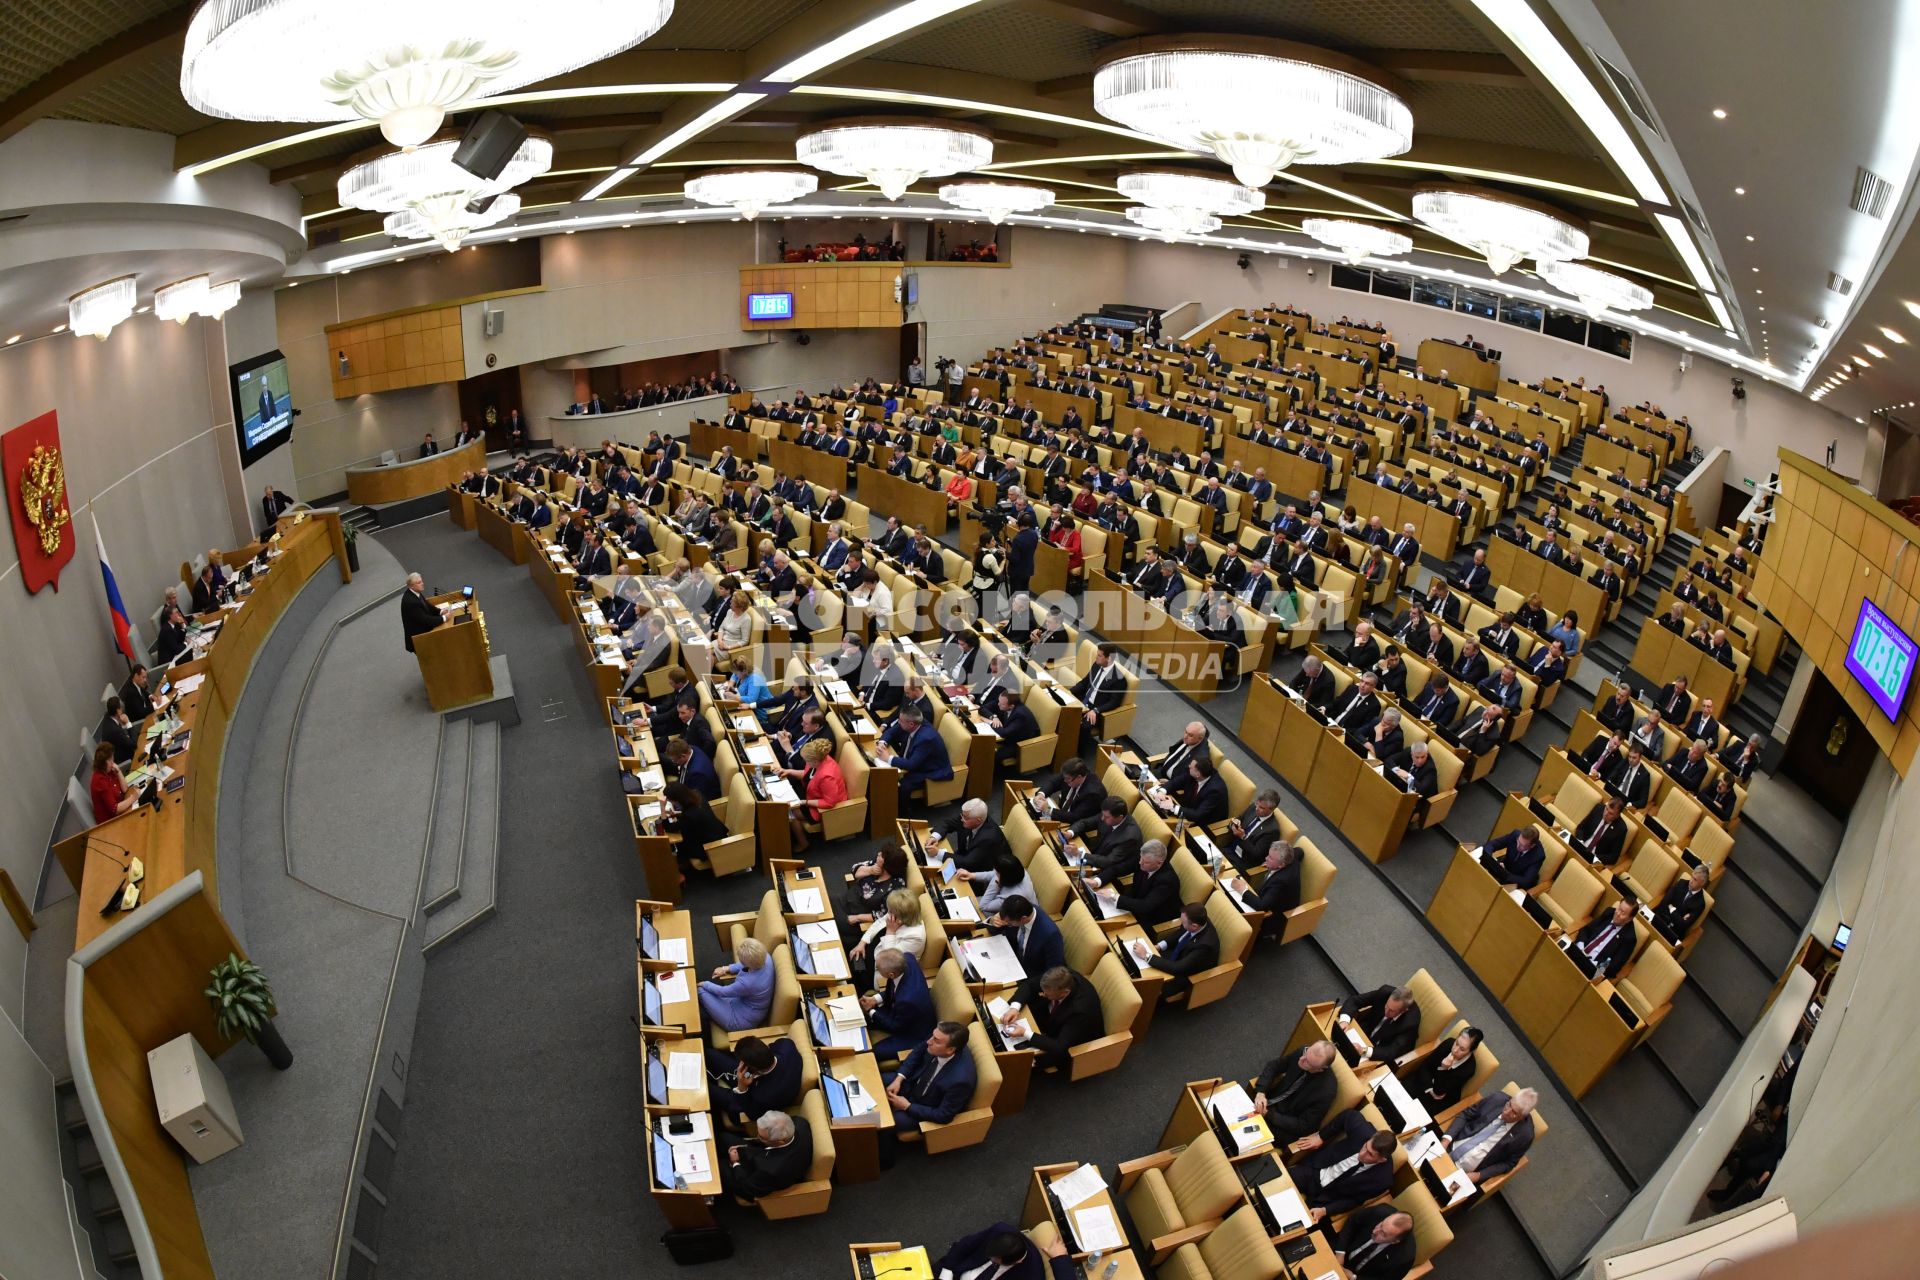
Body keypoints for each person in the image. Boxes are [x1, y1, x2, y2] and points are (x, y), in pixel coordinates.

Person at [882, 1022, 976, 1162]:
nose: (929, 1041)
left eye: (935, 1041)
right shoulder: (938, 1037)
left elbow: (944, 1115)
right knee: (877, 1080)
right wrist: (899, 1079)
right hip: (911, 1082)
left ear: (950, 1050)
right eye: (932, 1036)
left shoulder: (960, 1080)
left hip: (923, 1107)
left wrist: (907, 1106)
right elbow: (917, 1052)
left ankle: (884, 1161)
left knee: (884, 1123)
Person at [1292, 1110, 1398, 1218]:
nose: (1362, 1154)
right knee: (1278, 1181)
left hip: (1327, 1198)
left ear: (1381, 1160)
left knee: (1296, 1222)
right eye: (1366, 1146)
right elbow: (1349, 1114)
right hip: (1316, 1171)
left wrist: (1325, 1211)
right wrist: (1321, 1137)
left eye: (1370, 1154)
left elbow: (1354, 1200)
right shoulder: (1363, 1132)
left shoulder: (1383, 1181)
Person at [1005, 966, 1101, 1072]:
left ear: (1065, 992)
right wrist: (1014, 1008)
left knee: (1016, 1065)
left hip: (1069, 1041)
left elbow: (1059, 1046)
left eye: (1048, 994)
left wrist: (1025, 1033)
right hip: (1052, 1018)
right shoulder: (1058, 976)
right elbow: (1029, 985)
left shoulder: (1080, 1011)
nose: (1043, 994)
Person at [1442, 1088, 1539, 1183]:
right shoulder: (1496, 1099)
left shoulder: (1525, 1135)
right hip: (1449, 1147)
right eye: (1509, 1105)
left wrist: (1479, 1175)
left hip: (1467, 1174)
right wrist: (1446, 1140)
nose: (1506, 1112)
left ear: (1523, 1117)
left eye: (1514, 1113)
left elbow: (1509, 1163)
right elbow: (1466, 1115)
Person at [705, 1034, 802, 1128]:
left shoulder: (763, 1096)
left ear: (751, 1068)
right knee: (709, 1054)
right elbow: (772, 1047)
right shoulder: (785, 1045)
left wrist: (742, 1088)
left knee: (707, 1089)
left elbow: (752, 1114)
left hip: (748, 1098)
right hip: (756, 1074)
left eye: (742, 1062)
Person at [1252, 1039, 1338, 1140]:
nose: (1301, 1059)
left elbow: (1304, 1126)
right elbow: (1274, 1066)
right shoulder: (1302, 1052)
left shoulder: (1326, 1091)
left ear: (1321, 1069)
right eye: (1306, 1053)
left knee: (1247, 1134)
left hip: (1284, 1124)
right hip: (1270, 1102)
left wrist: (1269, 1115)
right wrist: (1261, 1092)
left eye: (1308, 1063)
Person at [720, 1109, 811, 1202]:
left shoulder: (769, 1171)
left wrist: (735, 1163)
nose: (757, 1136)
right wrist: (746, 1145)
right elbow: (763, 1144)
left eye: (762, 1137)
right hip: (764, 1154)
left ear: (780, 1141)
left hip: (756, 1181)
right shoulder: (798, 1122)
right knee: (724, 1138)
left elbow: (748, 1187)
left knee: (720, 1166)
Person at [1086, 839, 1180, 927]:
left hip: (1150, 918)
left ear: (1159, 863)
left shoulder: (1167, 881)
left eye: (1145, 862)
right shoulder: (1144, 858)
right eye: (1140, 858)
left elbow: (1145, 906)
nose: (1140, 863)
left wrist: (1114, 897)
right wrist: (1097, 881)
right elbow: (1117, 869)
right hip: (1133, 901)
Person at [863, 949, 936, 1060]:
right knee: (862, 1018)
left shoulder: (907, 1000)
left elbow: (895, 1027)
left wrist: (870, 1011)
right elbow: (895, 989)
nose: (876, 970)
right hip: (902, 1010)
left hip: (913, 1032)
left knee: (871, 1053)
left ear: (891, 974)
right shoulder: (907, 957)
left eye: (878, 969)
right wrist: (875, 999)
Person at [931, 1223, 1061, 1280]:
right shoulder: (1000, 1230)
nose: (992, 1260)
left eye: (995, 1261)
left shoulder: (1032, 1275)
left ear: (1018, 1262)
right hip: (953, 1273)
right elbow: (964, 1245)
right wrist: (946, 1273)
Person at [850, 889, 926, 986]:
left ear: (901, 917)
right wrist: (862, 942)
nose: (887, 913)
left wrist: (890, 931)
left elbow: (890, 960)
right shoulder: (896, 913)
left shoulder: (915, 937)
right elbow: (878, 923)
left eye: (889, 911)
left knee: (854, 977)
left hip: (881, 969)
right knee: (850, 956)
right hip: (871, 949)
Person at [1142, 902, 1219, 998]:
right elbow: (1181, 933)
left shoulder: (1205, 946)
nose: (1181, 924)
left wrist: (1146, 955)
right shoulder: (1198, 920)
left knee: (1147, 990)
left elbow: (1178, 967)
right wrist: (1159, 946)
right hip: (1177, 954)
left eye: (1183, 922)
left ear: (1194, 926)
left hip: (1185, 974)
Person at [877, 706, 953, 803]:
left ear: (911, 724)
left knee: (903, 785)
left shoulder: (926, 738)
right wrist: (882, 742)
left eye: (900, 721)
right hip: (915, 758)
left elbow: (911, 765)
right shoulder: (912, 722)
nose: (898, 722)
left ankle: (900, 812)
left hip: (930, 769)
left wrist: (888, 758)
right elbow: (891, 731)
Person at [699, 937, 774, 1031]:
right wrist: (726, 969)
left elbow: (723, 992)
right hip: (742, 1002)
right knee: (709, 993)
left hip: (740, 1020)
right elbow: (747, 963)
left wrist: (705, 984)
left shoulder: (747, 983)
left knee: (701, 990)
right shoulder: (766, 957)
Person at [1402, 1026, 1485, 1111]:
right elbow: (1426, 1065)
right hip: (1425, 1081)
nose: (1455, 1050)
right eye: (1456, 1043)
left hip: (1438, 1099)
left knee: (1410, 1112)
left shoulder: (1468, 1070)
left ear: (1470, 1051)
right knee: (1397, 1094)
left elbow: (1439, 1091)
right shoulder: (1448, 1043)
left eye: (1462, 1049)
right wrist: (1429, 1088)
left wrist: (1443, 1069)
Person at [1337, 983, 1422, 1065]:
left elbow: (1391, 1051)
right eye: (1386, 1006)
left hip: (1380, 1050)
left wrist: (1364, 1050)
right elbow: (1355, 1001)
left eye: (1391, 1011)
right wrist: (1345, 1021)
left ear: (1403, 1011)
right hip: (1365, 1031)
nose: (1386, 1012)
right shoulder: (1384, 992)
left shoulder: (1411, 1023)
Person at [788, 738, 846, 854]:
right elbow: (807, 776)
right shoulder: (819, 760)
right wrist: (788, 771)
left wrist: (805, 802)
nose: (804, 762)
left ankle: (803, 843)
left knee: (790, 812)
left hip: (821, 808)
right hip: (812, 793)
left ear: (814, 761)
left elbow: (829, 803)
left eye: (806, 760)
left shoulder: (827, 777)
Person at [842, 844, 910, 941]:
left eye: (881, 855)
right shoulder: (877, 863)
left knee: (831, 922)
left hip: (855, 914)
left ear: (887, 865)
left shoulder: (896, 887)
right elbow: (854, 869)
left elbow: (883, 914)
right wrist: (870, 870)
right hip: (847, 898)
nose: (878, 854)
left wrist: (857, 918)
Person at [1334, 1208, 1417, 1280]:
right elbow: (1352, 1221)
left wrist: (1353, 1277)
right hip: (1342, 1251)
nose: (1375, 1231)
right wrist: (1340, 1252)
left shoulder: (1404, 1259)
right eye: (1381, 1224)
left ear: (1394, 1241)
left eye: (1383, 1234)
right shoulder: (1380, 1212)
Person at [933, 798, 1012, 873]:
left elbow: (969, 863)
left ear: (978, 820)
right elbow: (947, 823)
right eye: (962, 815)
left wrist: (938, 853)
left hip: (982, 869)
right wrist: (934, 837)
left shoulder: (988, 838)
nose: (961, 819)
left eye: (965, 818)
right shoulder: (967, 816)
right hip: (965, 855)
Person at [1568, 900, 1638, 979]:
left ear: (1629, 919)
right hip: (1578, 952)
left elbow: (1614, 967)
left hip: (1591, 969)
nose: (1618, 914)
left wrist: (1596, 964)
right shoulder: (1609, 913)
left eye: (1623, 913)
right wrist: (1580, 946)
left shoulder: (1629, 938)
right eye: (1619, 909)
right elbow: (1586, 930)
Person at [1652, 866, 1711, 943]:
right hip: (1660, 919)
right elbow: (1665, 902)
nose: (1691, 881)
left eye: (1695, 879)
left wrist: (1671, 908)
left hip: (1672, 933)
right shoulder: (1681, 883)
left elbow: (1683, 925)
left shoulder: (1700, 903)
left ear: (1702, 883)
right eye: (1692, 876)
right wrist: (1678, 917)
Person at [1480, 825, 1546, 889]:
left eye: (1522, 845)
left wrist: (1504, 873)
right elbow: (1491, 844)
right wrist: (1491, 860)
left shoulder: (1538, 856)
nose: (1518, 846)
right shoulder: (1515, 834)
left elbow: (1526, 881)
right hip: (1504, 867)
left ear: (1532, 846)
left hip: (1515, 881)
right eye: (1518, 842)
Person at [89, 742, 141, 823]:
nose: (113, 762)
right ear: (106, 762)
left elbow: (124, 789)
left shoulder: (108, 770)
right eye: (111, 759)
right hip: (111, 821)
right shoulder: (99, 782)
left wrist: (118, 771)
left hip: (121, 805)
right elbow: (115, 809)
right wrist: (133, 798)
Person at [1571, 796, 1627, 866]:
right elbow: (1580, 827)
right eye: (1606, 809)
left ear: (1617, 815)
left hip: (1594, 860)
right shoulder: (1599, 808)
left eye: (1611, 813)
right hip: (1580, 846)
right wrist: (1580, 841)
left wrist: (1594, 857)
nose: (1606, 814)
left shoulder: (1621, 829)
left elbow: (1613, 857)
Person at [400, 572, 441, 653]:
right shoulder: (411, 602)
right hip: (420, 640)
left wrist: (440, 611)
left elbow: (427, 605)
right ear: (411, 586)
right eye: (419, 582)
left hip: (424, 635)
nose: (422, 584)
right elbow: (426, 620)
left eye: (421, 581)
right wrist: (444, 618)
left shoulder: (415, 592)